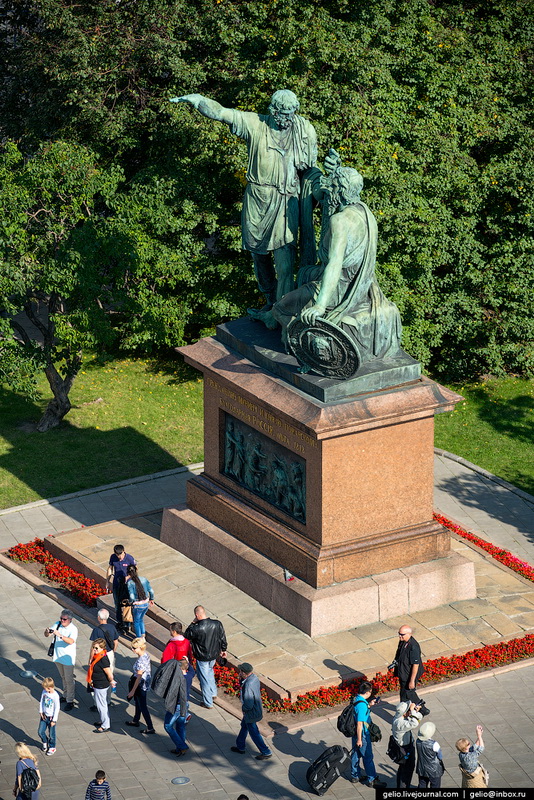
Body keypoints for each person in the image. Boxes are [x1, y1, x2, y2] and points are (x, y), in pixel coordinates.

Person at [172, 90, 317, 313]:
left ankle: (282, 312)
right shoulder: (256, 124)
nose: (289, 119)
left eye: (292, 113)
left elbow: (311, 170)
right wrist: (198, 100)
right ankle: (270, 300)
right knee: (260, 257)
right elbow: (221, 112)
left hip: (286, 203)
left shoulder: (304, 130)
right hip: (258, 202)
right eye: (284, 114)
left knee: (286, 264)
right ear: (273, 111)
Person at [271, 161, 401, 365]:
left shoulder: (340, 221)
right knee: (305, 273)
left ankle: (300, 341)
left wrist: (321, 305)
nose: (327, 190)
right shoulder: (366, 214)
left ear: (339, 191)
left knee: (279, 309)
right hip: (362, 287)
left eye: (331, 186)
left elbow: (334, 264)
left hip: (339, 289)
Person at [185, 605, 227, 709]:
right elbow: (222, 637)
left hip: (202, 657)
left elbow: (186, 635)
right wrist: (224, 649)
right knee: (210, 673)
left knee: (204, 679)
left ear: (196, 615)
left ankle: (208, 702)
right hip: (214, 655)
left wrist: (192, 623)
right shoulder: (217, 624)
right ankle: (213, 693)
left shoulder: (196, 628)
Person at [230, 663, 272, 760]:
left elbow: (248, 703)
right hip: (256, 709)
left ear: (244, 673)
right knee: (244, 727)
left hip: (251, 713)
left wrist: (244, 709)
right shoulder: (254, 678)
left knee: (254, 733)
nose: (239, 673)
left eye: (241, 671)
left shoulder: (248, 685)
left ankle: (266, 752)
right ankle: (240, 746)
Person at [349, 681, 386, 788]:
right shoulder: (361, 706)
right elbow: (360, 724)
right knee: (368, 757)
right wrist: (360, 739)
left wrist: (369, 705)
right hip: (362, 734)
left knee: (356, 754)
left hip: (355, 733)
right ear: (368, 692)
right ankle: (372, 779)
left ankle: (355, 775)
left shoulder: (356, 699)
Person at [43, 609, 78, 710]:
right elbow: (47, 635)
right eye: (61, 618)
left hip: (67, 658)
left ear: (70, 620)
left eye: (64, 619)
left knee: (69, 679)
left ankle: (70, 700)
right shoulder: (57, 624)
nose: (62, 620)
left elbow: (71, 641)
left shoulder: (73, 629)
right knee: (63, 677)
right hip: (58, 656)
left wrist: (60, 636)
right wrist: (47, 631)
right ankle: (65, 695)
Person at [155, 658, 189, 757]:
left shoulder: (178, 679)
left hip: (176, 706)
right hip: (184, 705)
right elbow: (190, 669)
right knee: (180, 726)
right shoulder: (190, 676)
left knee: (168, 726)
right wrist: (187, 661)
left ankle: (182, 746)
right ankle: (180, 748)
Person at [392, 625, 428, 715]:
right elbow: (398, 653)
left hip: (409, 674)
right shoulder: (402, 641)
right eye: (399, 634)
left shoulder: (414, 646)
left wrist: (412, 680)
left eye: (402, 634)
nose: (400, 636)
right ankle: (405, 709)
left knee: (409, 692)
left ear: (409, 634)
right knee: (404, 692)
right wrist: (394, 662)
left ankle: (421, 709)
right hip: (403, 672)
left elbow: (415, 664)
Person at [391, 701, 423, 788]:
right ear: (405, 712)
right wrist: (412, 711)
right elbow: (415, 723)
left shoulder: (399, 717)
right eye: (409, 709)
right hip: (405, 749)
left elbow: (418, 718)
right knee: (406, 771)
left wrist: (415, 711)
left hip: (405, 747)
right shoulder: (400, 723)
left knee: (402, 769)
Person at [126, 637, 155, 734]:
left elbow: (138, 677)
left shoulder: (140, 661)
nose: (132, 649)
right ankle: (135, 719)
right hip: (145, 683)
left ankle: (150, 727)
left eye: (134, 648)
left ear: (140, 648)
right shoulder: (145, 655)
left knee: (143, 705)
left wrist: (132, 691)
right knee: (138, 702)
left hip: (140, 684)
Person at [87, 638, 116, 733]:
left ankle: (105, 725)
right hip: (97, 683)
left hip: (101, 684)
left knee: (101, 705)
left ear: (102, 648)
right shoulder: (99, 655)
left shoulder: (103, 659)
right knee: (101, 704)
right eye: (93, 648)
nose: (94, 650)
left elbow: (109, 673)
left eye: (96, 648)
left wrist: (111, 681)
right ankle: (103, 720)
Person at [106, 544, 136, 633]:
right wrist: (107, 581)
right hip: (117, 584)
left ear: (124, 551)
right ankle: (120, 622)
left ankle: (127, 625)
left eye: (120, 554)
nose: (119, 556)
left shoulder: (129, 558)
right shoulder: (113, 557)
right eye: (117, 555)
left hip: (127, 585)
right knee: (117, 604)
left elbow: (135, 569)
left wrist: (128, 576)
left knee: (127, 604)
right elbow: (110, 569)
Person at [126, 565, 155, 639]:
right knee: (141, 619)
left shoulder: (130, 583)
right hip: (145, 604)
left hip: (137, 605)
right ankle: (143, 635)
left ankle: (139, 637)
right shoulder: (144, 579)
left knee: (136, 622)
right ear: (136, 570)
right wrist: (151, 599)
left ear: (128, 574)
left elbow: (132, 596)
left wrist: (131, 602)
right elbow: (151, 591)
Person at [416, 721, 444, 789]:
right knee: (435, 785)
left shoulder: (417, 741)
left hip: (422, 768)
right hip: (434, 770)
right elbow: (440, 756)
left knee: (422, 784)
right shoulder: (434, 744)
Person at [38, 677, 60, 755]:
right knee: (40, 732)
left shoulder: (55, 696)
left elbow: (57, 708)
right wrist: (41, 712)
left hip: (51, 717)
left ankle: (52, 747)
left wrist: (54, 720)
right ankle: (45, 742)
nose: (44, 690)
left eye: (45, 688)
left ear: (49, 688)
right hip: (44, 716)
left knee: (52, 734)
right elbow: (41, 702)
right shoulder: (44, 692)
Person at [180, 656, 195, 723]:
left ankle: (185, 717)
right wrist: (187, 663)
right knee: (185, 705)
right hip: (186, 695)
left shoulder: (180, 678)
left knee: (181, 707)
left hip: (180, 696)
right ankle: (186, 715)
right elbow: (192, 670)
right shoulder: (189, 675)